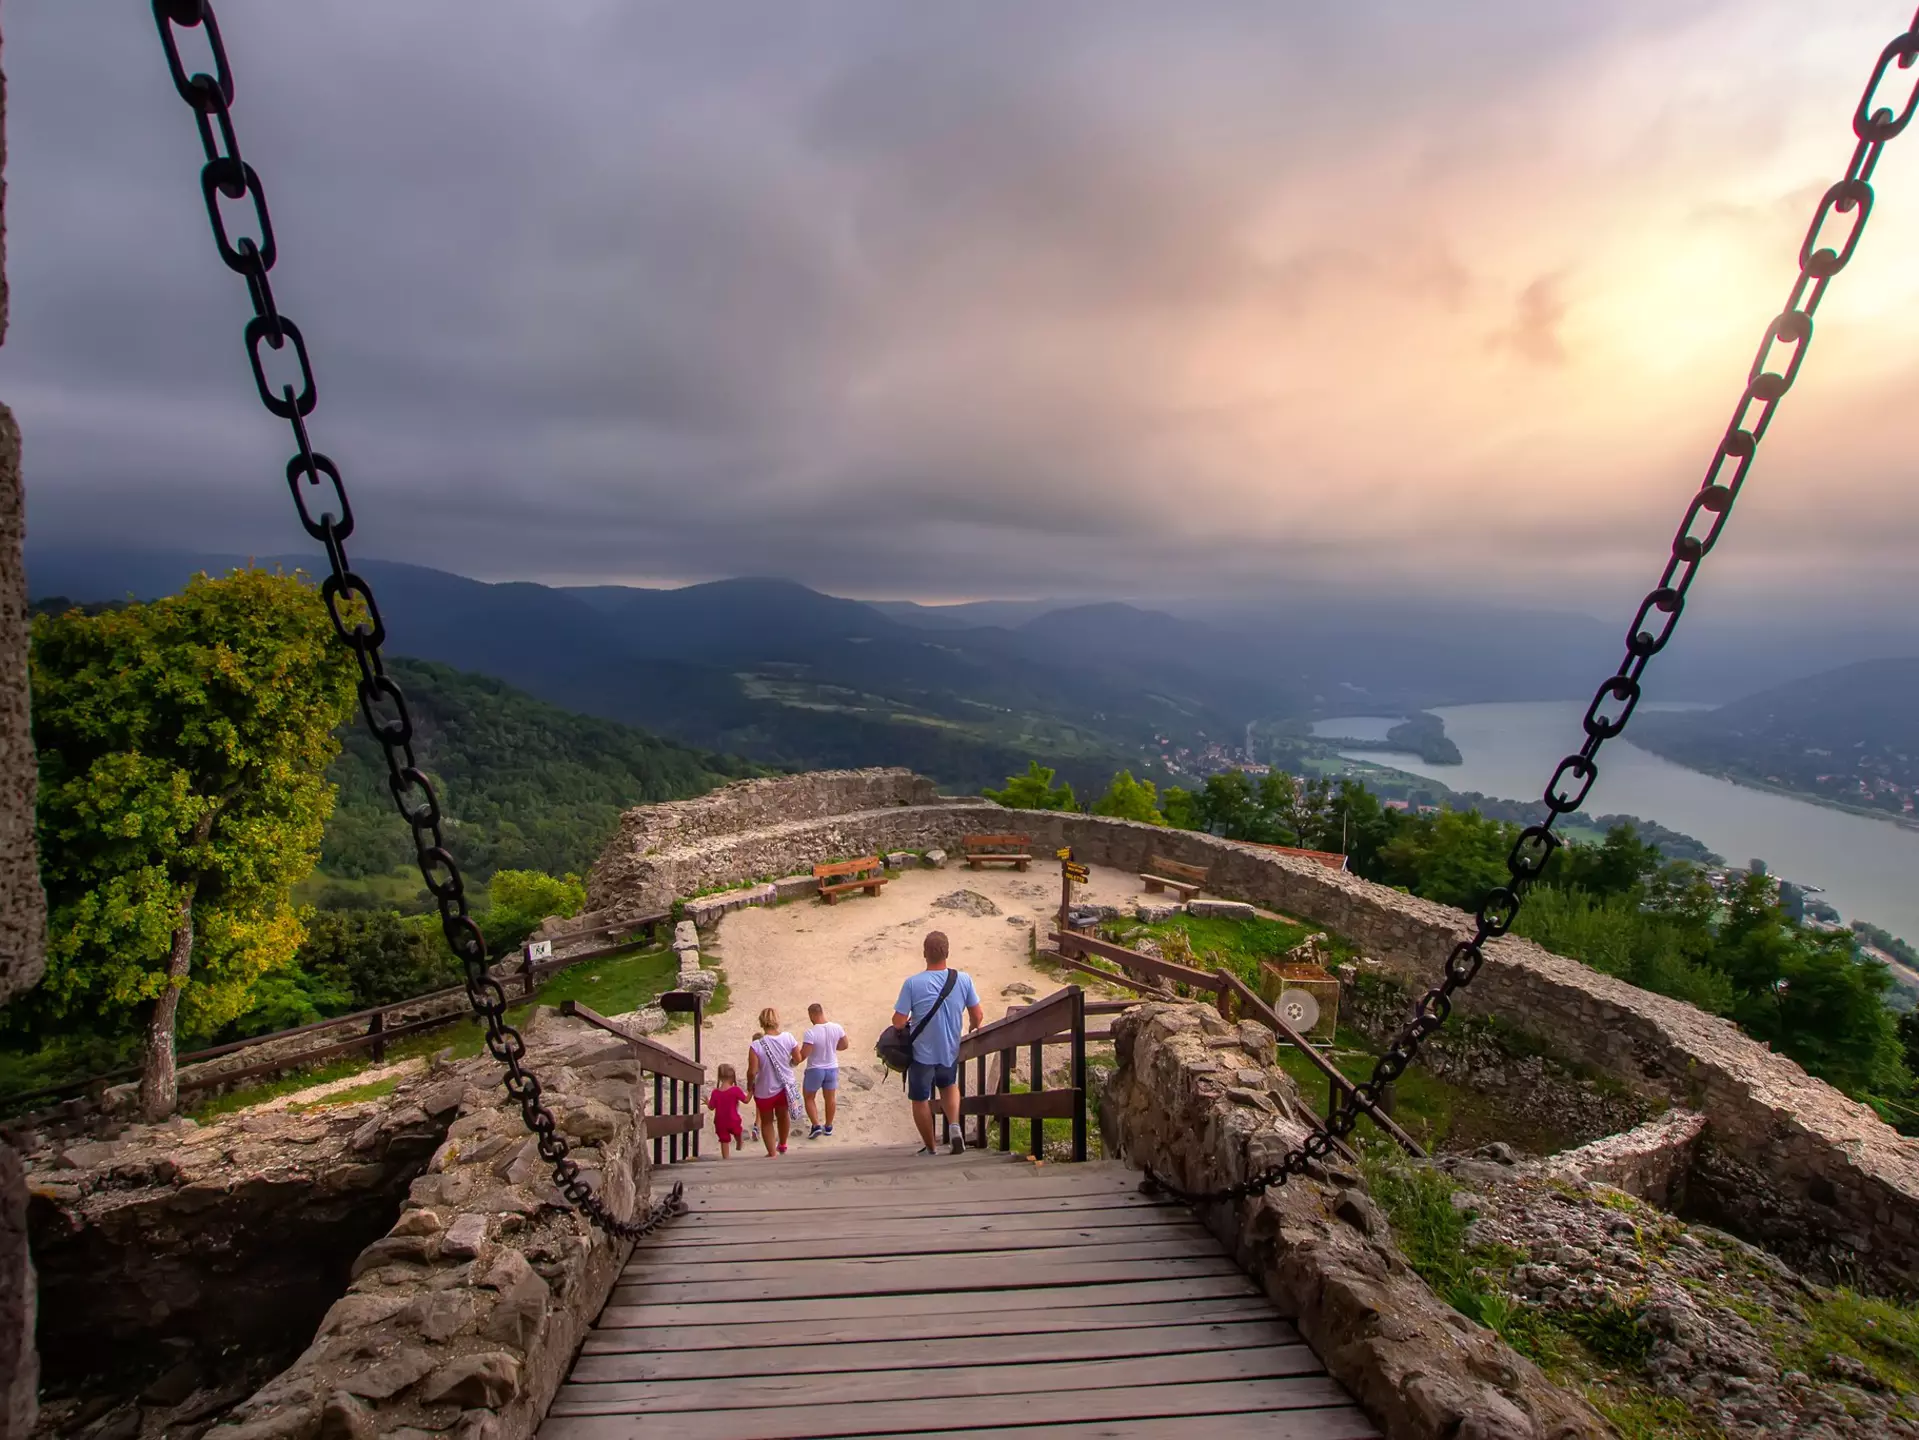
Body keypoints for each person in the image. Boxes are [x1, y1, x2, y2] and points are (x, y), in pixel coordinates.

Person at [891, 930, 983, 1155]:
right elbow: (977, 1015)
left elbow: (898, 1022)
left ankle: (931, 1147)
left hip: (921, 1051)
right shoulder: (963, 979)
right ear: (947, 952)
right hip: (949, 1048)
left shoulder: (912, 983)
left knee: (920, 1098)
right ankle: (954, 1127)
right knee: (949, 1086)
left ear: (925, 953)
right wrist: (972, 1027)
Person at [745, 1007, 799, 1156]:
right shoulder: (788, 1038)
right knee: (783, 1115)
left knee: (767, 1121)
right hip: (784, 1086)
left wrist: (750, 1085)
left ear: (761, 1022)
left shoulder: (756, 1045)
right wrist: (790, 1064)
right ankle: (782, 1144)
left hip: (764, 1089)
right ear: (777, 1020)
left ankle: (771, 1153)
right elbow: (798, 1058)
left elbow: (752, 1071)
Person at [794, 1001, 849, 1139]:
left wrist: (794, 1061)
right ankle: (829, 1126)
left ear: (812, 1014)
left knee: (809, 1097)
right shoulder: (837, 1027)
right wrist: (831, 1048)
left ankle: (816, 1125)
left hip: (815, 1069)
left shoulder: (811, 1032)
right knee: (830, 1098)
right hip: (832, 1067)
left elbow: (805, 1053)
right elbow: (844, 1045)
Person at [706, 1063, 748, 1158]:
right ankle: (739, 1142)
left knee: (724, 1140)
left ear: (719, 1078)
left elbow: (711, 1107)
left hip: (720, 1122)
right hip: (733, 1119)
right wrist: (751, 1092)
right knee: (737, 1131)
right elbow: (746, 1100)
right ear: (733, 1078)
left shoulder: (715, 1092)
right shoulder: (736, 1090)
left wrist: (708, 1102)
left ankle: (726, 1158)